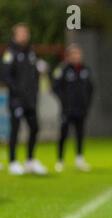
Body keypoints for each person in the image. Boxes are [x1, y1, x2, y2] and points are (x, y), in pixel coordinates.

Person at [2, 23, 47, 175]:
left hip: (30, 99)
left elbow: (34, 74)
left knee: (35, 128)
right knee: (15, 130)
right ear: (15, 35)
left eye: (26, 33)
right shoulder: (10, 53)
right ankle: (13, 161)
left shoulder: (31, 52)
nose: (25, 35)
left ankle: (30, 160)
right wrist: (18, 91)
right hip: (17, 100)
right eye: (22, 33)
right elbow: (5, 76)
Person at [52, 44, 93, 172]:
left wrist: (87, 102)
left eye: (78, 54)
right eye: (74, 54)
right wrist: (64, 101)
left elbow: (91, 88)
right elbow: (55, 87)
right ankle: (60, 160)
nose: (77, 56)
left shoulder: (85, 69)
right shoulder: (63, 69)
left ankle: (79, 159)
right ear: (69, 56)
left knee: (80, 133)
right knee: (63, 134)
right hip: (67, 109)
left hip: (81, 108)